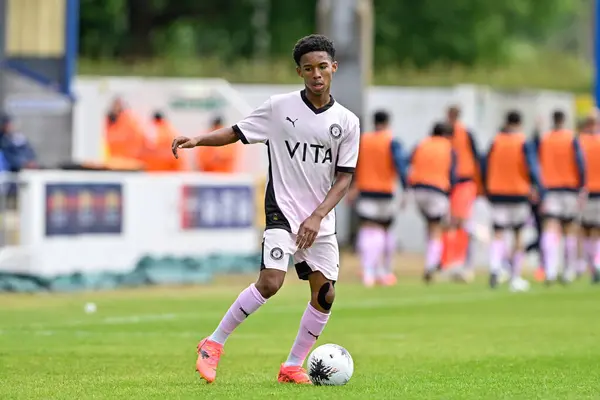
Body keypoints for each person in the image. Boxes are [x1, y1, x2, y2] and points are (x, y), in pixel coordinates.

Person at [171, 34, 359, 385]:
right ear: (299, 72)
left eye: (322, 67)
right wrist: (197, 139)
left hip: (319, 220)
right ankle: (212, 344)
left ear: (333, 68)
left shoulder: (347, 122)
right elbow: (237, 132)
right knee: (271, 282)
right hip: (283, 211)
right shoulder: (279, 107)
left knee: (325, 294)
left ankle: (291, 366)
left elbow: (344, 179)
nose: (316, 74)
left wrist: (318, 216)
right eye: (308, 69)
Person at [481, 111, 543, 292]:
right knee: (518, 235)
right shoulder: (523, 142)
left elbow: (485, 165)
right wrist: (537, 187)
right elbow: (532, 166)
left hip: (497, 191)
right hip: (518, 191)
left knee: (498, 232)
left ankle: (495, 267)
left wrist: (486, 186)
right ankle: (515, 276)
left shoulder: (496, 141)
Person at [348, 110, 408, 287]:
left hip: (365, 190)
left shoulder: (363, 141)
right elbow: (401, 166)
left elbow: (353, 164)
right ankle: (384, 271)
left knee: (367, 229)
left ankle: (367, 271)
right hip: (385, 192)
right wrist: (405, 190)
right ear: (388, 122)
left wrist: (352, 187)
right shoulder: (391, 141)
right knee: (384, 230)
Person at [538, 110, 586, 284]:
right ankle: (568, 270)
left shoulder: (545, 139)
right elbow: (581, 163)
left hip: (550, 188)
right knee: (569, 230)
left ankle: (550, 271)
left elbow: (537, 163)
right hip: (569, 188)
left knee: (550, 228)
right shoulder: (571, 139)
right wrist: (582, 185)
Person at [407, 122, 456, 283]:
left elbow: (410, 163)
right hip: (437, 190)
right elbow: (453, 174)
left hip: (418, 189)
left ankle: (432, 260)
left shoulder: (421, 144)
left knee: (429, 225)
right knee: (436, 228)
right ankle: (431, 265)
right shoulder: (448, 147)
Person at [445, 106, 480, 278]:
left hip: (462, 182)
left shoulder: (464, 133)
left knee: (460, 222)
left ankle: (463, 263)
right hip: (449, 184)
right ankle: (453, 262)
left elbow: (476, 158)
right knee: (454, 223)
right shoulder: (447, 133)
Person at [577, 114, 600, 283]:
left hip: (584, 191)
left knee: (584, 230)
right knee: (597, 231)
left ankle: (586, 265)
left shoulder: (579, 142)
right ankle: (596, 264)